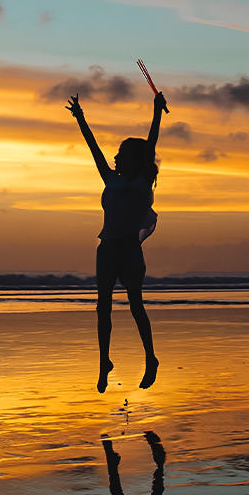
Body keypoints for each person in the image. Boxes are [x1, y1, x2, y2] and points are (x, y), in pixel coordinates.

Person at [67, 91, 166, 392]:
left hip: (129, 249)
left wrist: (157, 112)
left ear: (135, 160)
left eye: (121, 154)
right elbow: (93, 147)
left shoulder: (141, 181)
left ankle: (150, 358)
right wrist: (80, 117)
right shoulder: (111, 179)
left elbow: (151, 146)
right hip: (107, 248)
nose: (115, 157)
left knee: (136, 305)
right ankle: (103, 362)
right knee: (103, 308)